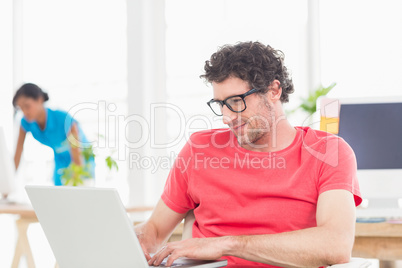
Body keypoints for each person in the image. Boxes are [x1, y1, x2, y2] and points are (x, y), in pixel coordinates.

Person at [135, 41, 362, 267]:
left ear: (274, 91)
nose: (226, 117)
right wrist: (129, 240)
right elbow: (154, 231)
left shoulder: (328, 152)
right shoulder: (199, 149)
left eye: (236, 101)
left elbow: (335, 245)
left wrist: (227, 244)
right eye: (220, 104)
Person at [13, 83, 94, 186]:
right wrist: (8, 183)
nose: (25, 112)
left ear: (39, 99)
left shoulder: (64, 119)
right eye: (21, 108)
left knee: (80, 190)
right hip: (60, 159)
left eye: (27, 106)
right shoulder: (26, 123)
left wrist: (76, 181)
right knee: (58, 193)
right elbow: (18, 151)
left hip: (82, 157)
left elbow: (77, 155)